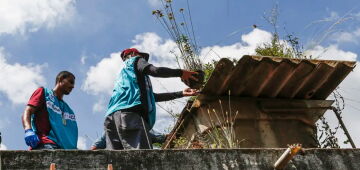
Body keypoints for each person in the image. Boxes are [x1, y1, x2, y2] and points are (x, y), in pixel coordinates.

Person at [104, 48, 199, 150]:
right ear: (133, 54)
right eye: (142, 57)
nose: (143, 60)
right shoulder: (135, 60)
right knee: (143, 158)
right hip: (128, 116)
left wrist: (181, 93)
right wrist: (181, 73)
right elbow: (156, 71)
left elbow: (152, 97)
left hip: (110, 120)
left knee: (115, 162)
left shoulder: (123, 74)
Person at [21, 71, 78, 150]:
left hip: (63, 148)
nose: (73, 86)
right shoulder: (44, 93)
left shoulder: (68, 110)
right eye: (71, 82)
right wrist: (28, 130)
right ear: (61, 79)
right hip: (45, 143)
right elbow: (28, 111)